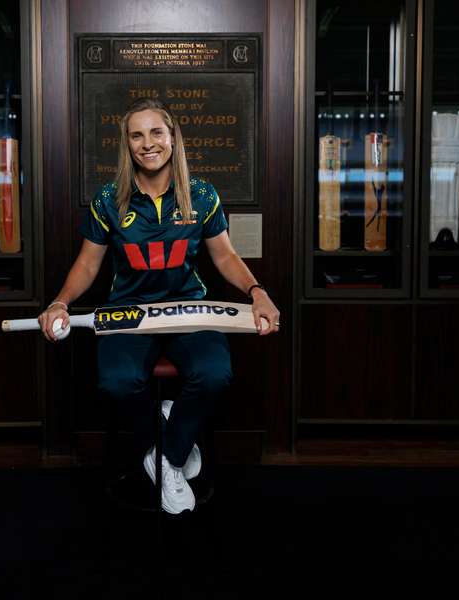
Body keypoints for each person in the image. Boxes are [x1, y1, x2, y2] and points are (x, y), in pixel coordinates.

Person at [38, 98, 280, 514]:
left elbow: (224, 256)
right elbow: (88, 263)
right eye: (137, 135)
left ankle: (167, 455)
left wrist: (257, 291)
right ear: (127, 144)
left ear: (172, 138)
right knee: (118, 382)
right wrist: (60, 302)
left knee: (214, 374)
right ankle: (171, 446)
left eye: (156, 132)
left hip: (189, 310)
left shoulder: (201, 194)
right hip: (129, 313)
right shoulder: (108, 199)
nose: (147, 143)